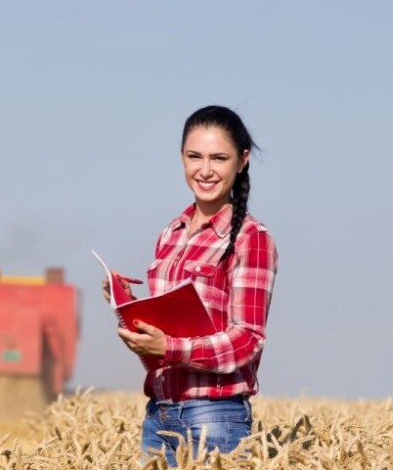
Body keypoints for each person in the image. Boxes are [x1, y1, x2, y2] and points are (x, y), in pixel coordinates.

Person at [102, 105, 278, 465]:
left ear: (242, 161)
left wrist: (168, 346)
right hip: (158, 415)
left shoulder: (251, 238)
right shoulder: (170, 233)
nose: (205, 170)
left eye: (219, 158)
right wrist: (129, 307)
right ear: (181, 157)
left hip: (214, 420)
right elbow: (165, 342)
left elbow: (247, 339)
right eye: (194, 156)